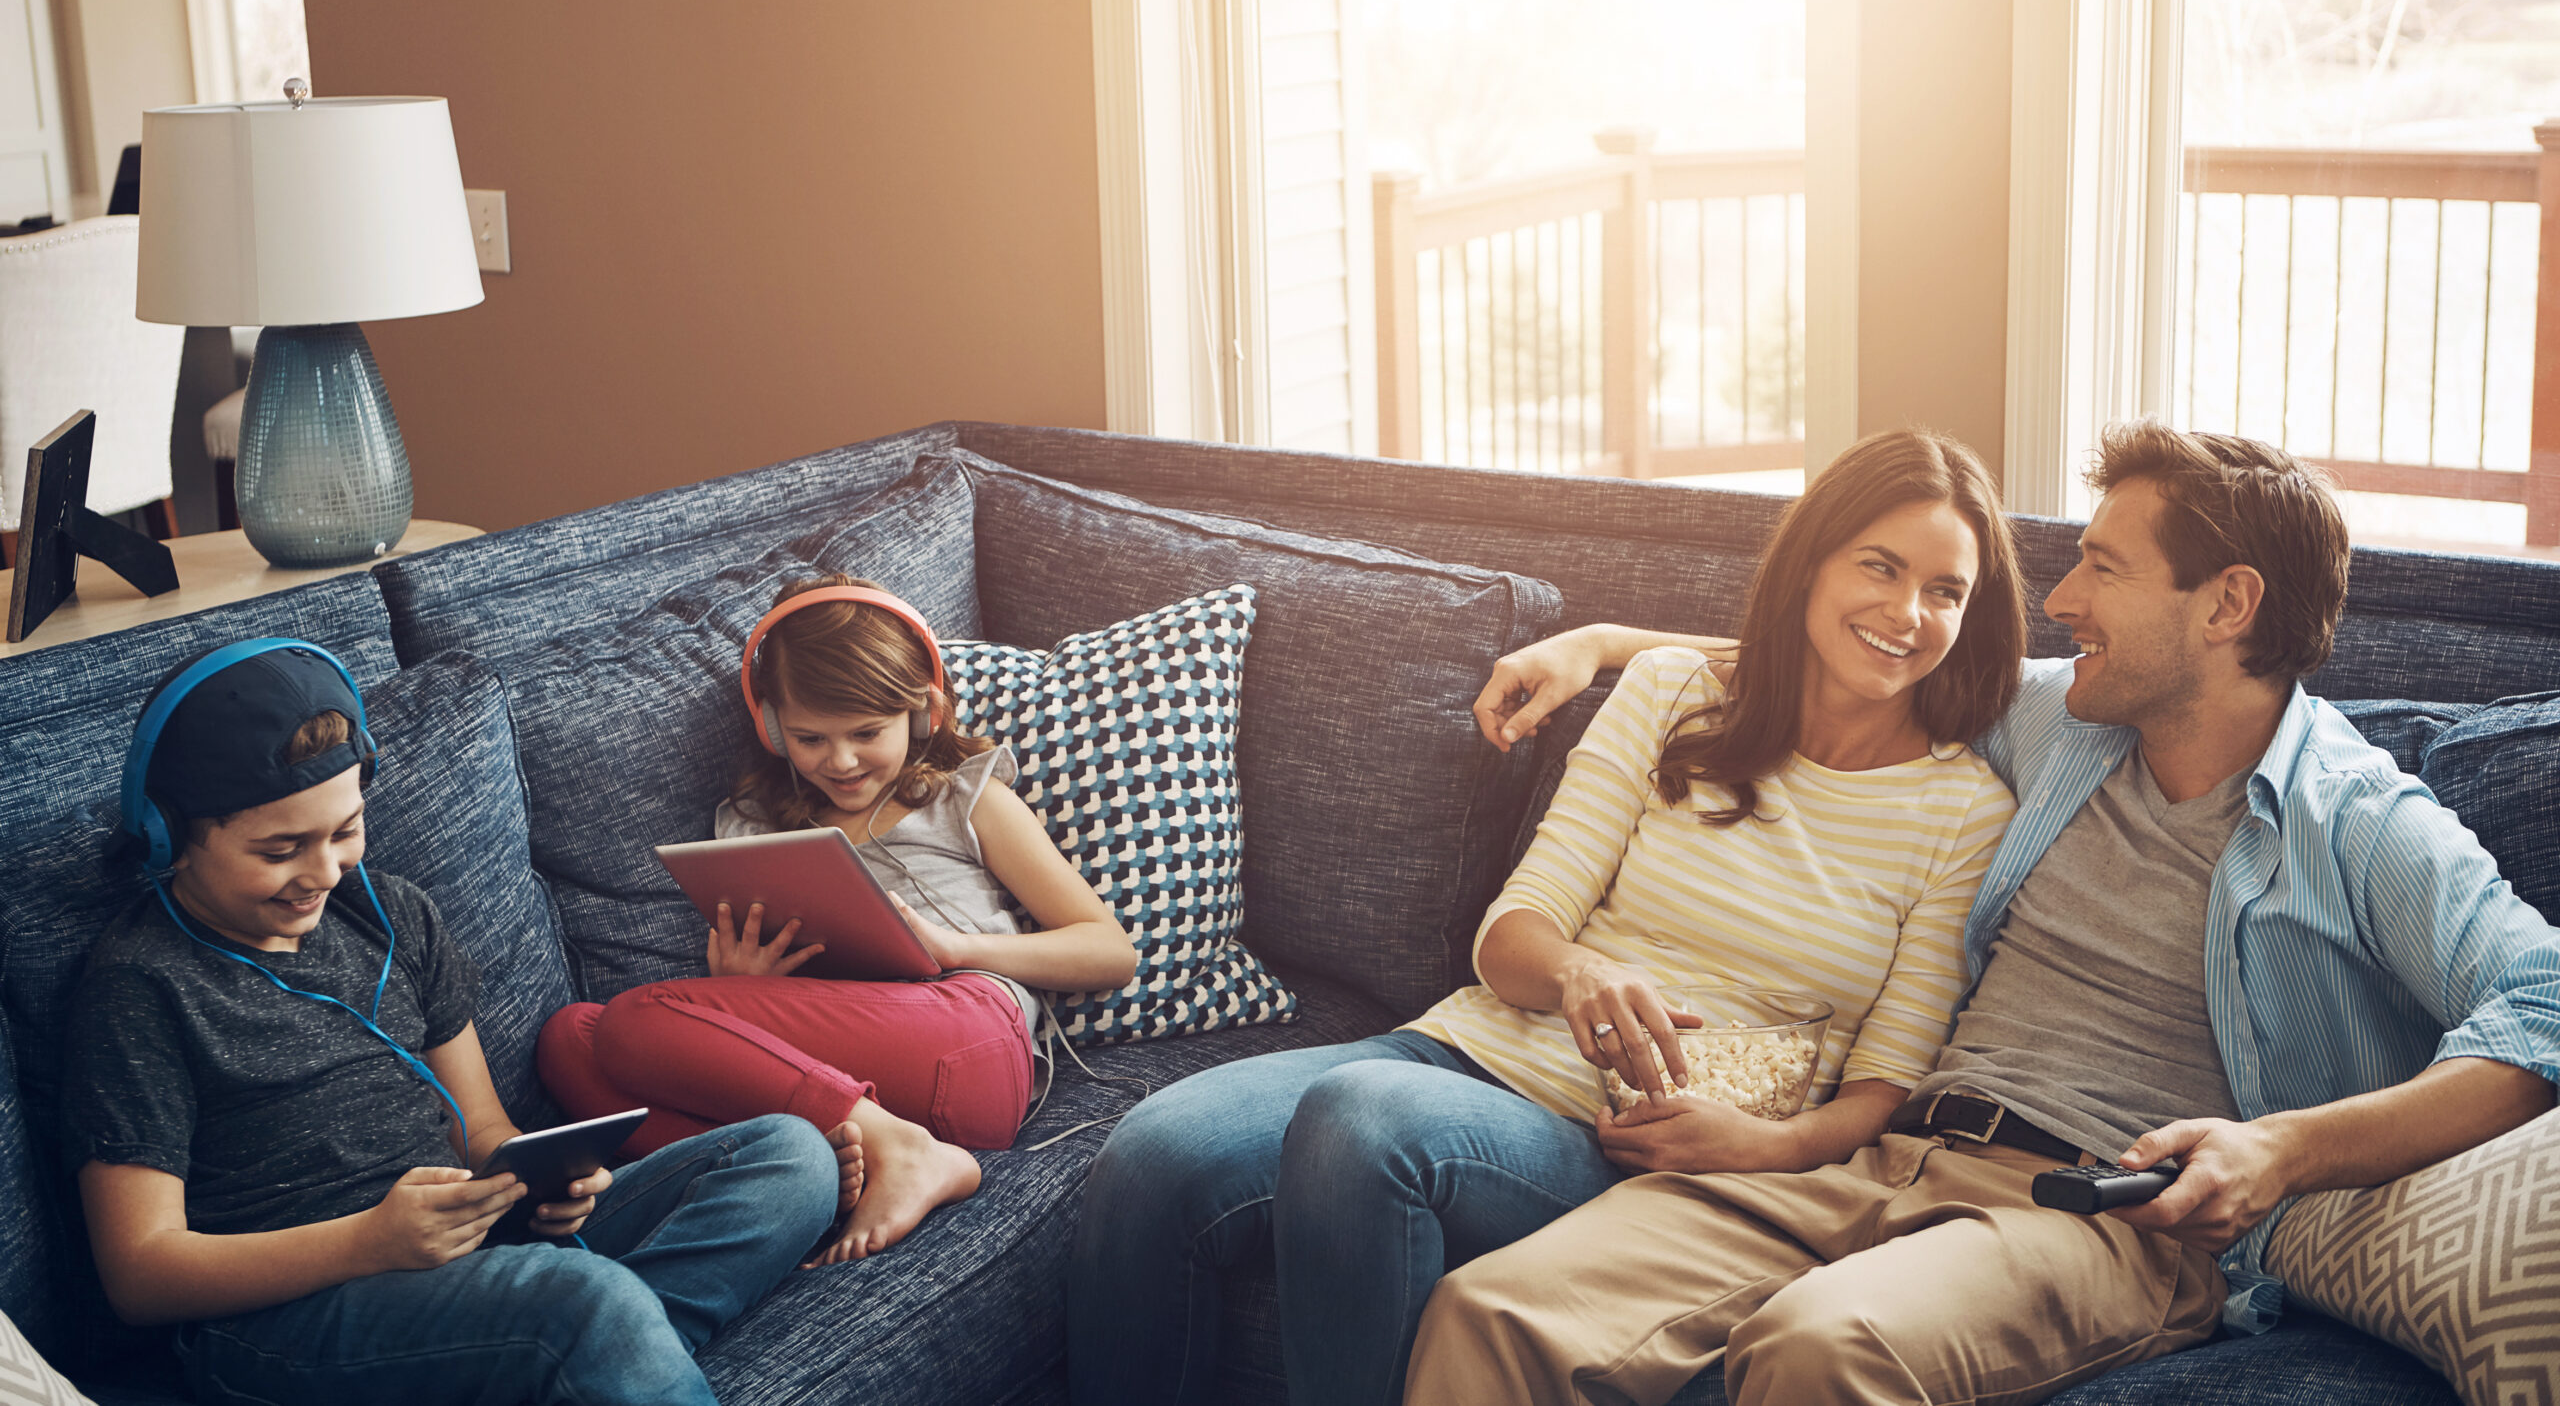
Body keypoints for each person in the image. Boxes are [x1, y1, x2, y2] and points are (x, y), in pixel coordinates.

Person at [1408, 422, 2560, 1406]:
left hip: (2102, 1217)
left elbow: (2543, 1000)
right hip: (1887, 1153)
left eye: (2102, 569)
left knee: (1817, 1347)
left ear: (2227, 605)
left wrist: (2281, 1149)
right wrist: (1603, 644)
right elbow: (1849, 658)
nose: (2059, 603)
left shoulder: (2355, 820)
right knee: (1492, 1308)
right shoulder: (2066, 718)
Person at [1068, 429, 2027, 1406]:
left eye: (1944, 591)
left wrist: (1772, 1148)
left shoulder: (1964, 812)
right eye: (1879, 565)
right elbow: (1512, 932)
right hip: (1464, 1055)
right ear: (1813, 559)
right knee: (1151, 1161)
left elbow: (1885, 1084)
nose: (1905, 612)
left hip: (1633, 1141)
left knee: (1360, 1122)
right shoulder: (1670, 692)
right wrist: (1577, 971)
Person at [66, 639, 838, 1406]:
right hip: (283, 1318)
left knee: (789, 1156)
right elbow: (141, 1271)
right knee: (582, 1301)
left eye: (343, 831)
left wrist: (540, 1179)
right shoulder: (140, 984)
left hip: (471, 1249)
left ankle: (582, 1354)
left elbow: (480, 1129)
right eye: (279, 849)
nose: (324, 873)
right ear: (169, 835)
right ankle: (592, 1341)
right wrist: (368, 1241)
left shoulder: (391, 913)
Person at [539, 575, 1136, 1264]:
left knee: (635, 1020)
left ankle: (897, 1148)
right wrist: (740, 988)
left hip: (966, 1032)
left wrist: (951, 945)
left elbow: (1109, 951)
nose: (842, 760)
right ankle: (832, 1166)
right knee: (570, 1038)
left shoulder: (965, 799)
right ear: (769, 727)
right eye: (810, 737)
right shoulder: (749, 829)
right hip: (841, 1069)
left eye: (867, 732)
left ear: (923, 713)